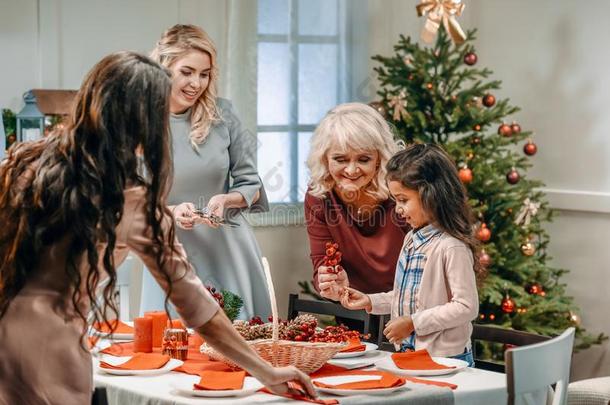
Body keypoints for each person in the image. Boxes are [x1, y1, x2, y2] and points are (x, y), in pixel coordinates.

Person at [0, 51, 314, 404]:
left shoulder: (25, 162)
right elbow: (198, 307)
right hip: (51, 347)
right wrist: (266, 371)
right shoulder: (132, 199)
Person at [140, 24, 270, 319]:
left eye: (204, 73)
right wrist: (171, 211)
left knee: (239, 347)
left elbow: (251, 184)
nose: (196, 83)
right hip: (171, 251)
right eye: (187, 72)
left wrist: (226, 200)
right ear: (163, 67)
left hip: (228, 249)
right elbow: (129, 200)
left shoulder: (224, 115)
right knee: (174, 349)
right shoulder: (138, 123)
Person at [339, 143, 481, 365]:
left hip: (446, 359)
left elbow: (466, 307)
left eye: (404, 200)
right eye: (396, 200)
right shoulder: (411, 240)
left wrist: (414, 323)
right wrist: (370, 301)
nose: (398, 209)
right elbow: (408, 297)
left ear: (432, 195)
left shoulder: (451, 247)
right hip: (409, 353)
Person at [304, 102, 410, 302]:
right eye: (341, 159)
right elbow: (321, 264)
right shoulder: (318, 196)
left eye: (363, 159)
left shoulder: (401, 190)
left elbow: (427, 265)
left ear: (379, 158)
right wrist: (330, 284)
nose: (351, 171)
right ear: (325, 158)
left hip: (405, 309)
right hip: (352, 309)